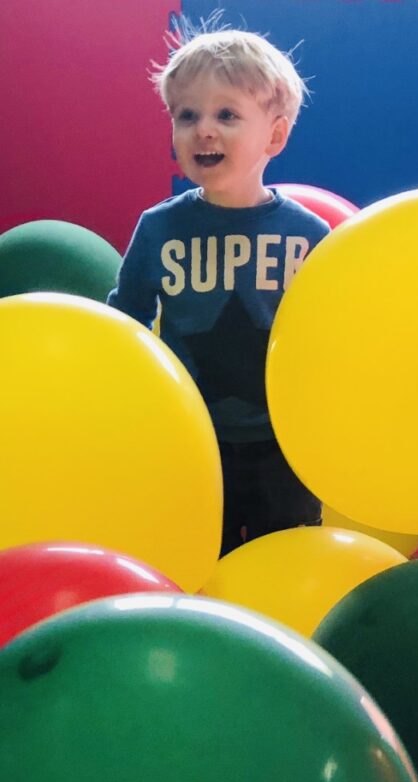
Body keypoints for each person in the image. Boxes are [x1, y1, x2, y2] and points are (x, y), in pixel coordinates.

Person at [107, 21, 331, 557]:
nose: (203, 129)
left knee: (286, 563)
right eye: (188, 116)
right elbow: (124, 327)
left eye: (226, 114)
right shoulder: (158, 229)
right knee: (199, 561)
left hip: (283, 448)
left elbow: (329, 341)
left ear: (274, 136)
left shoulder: (308, 236)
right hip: (192, 442)